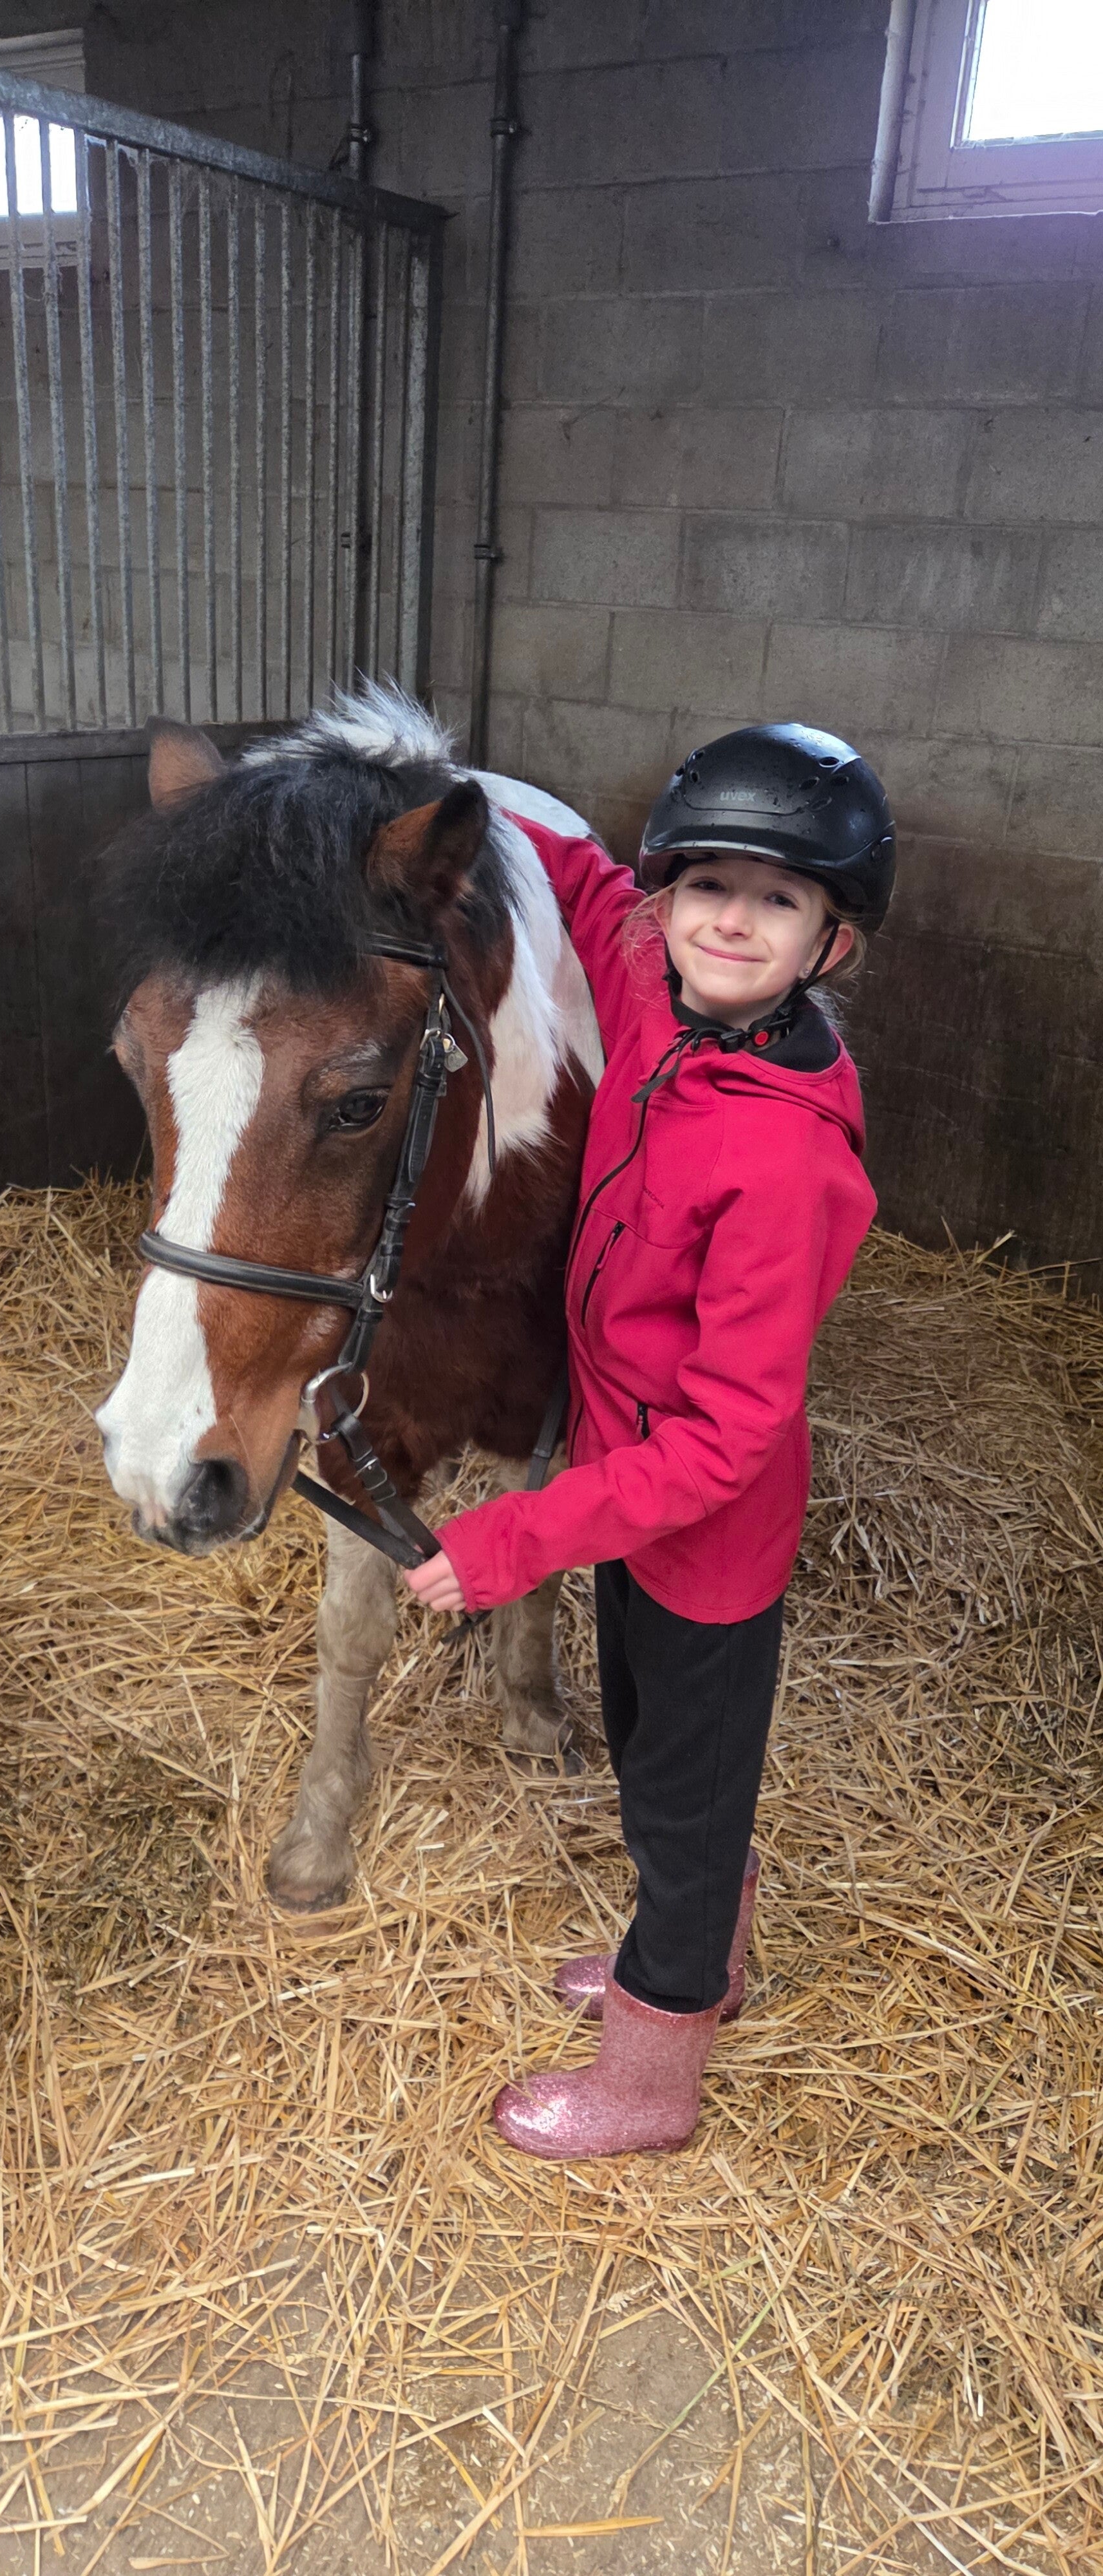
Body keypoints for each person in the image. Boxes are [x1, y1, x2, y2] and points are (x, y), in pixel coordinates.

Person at [405, 723, 894, 2161]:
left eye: (778, 899)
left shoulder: (784, 1158)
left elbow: (728, 1438)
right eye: (708, 887)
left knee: (684, 1800)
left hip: (704, 1536)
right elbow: (583, 874)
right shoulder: (650, 979)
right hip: (627, 1498)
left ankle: (652, 2066)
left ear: (833, 943)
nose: (729, 920)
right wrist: (436, 792)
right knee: (653, 1757)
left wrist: (513, 1538)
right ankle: (692, 1948)